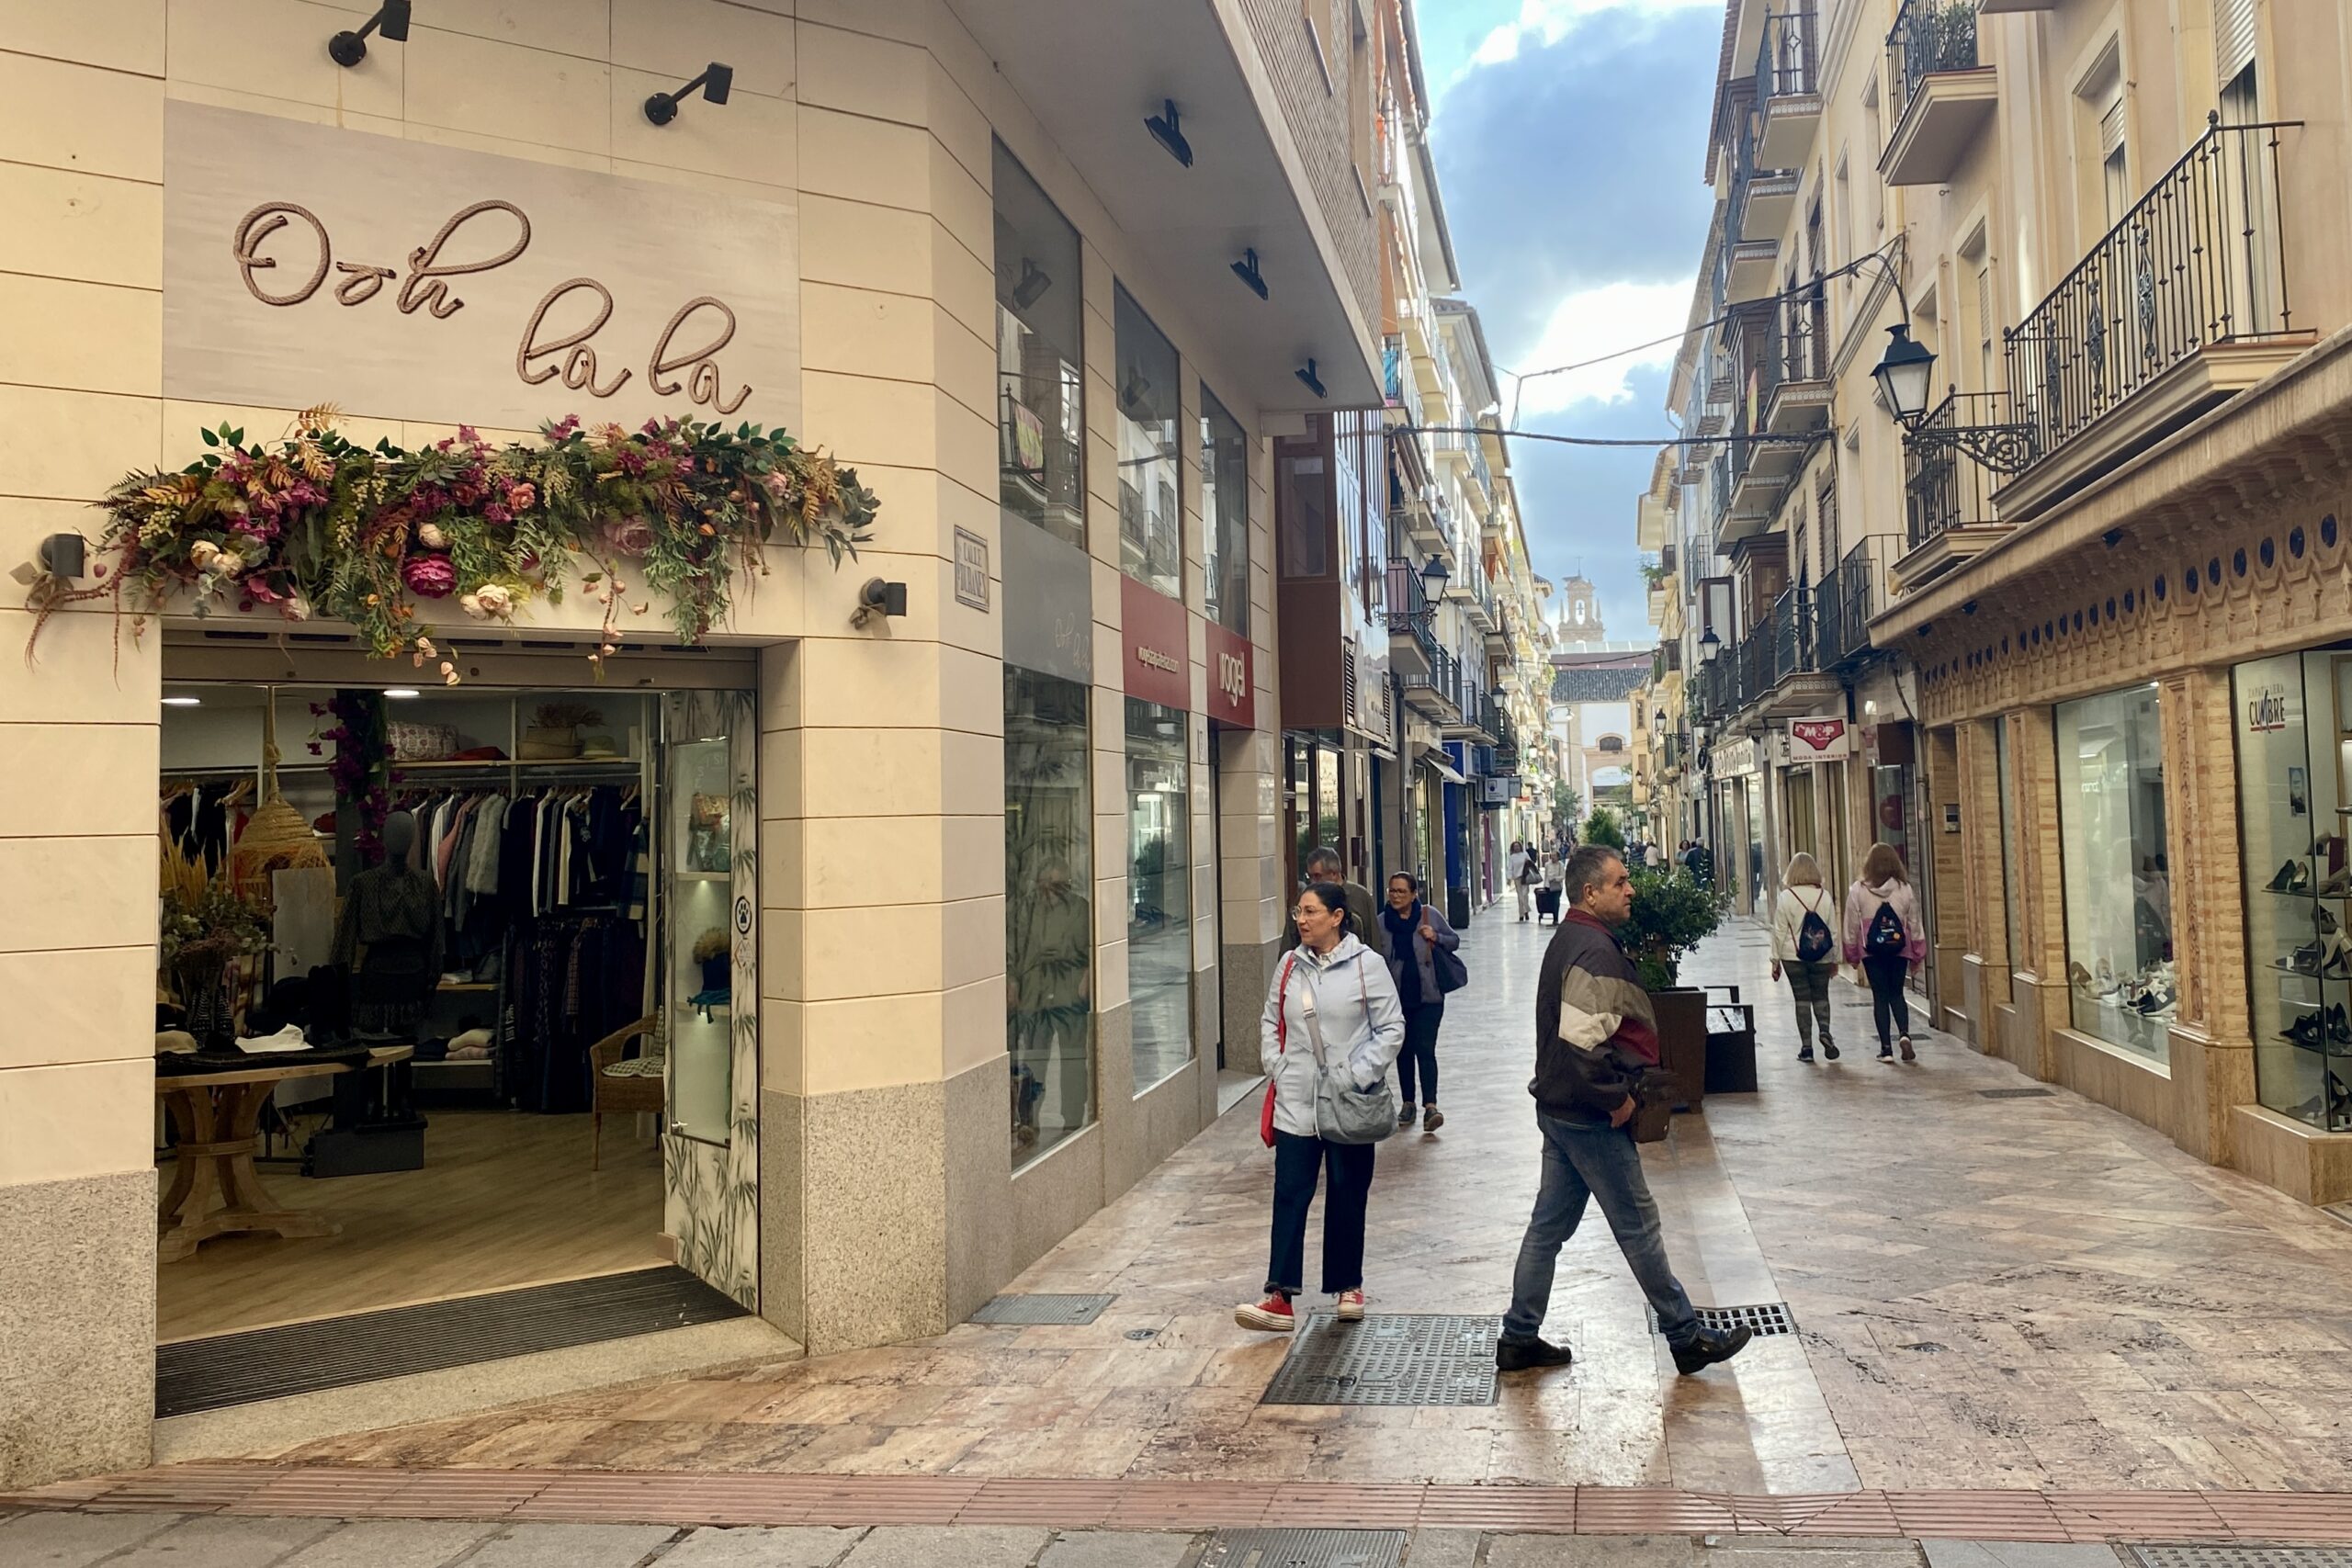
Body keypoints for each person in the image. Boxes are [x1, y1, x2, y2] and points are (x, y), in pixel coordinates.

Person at [1496, 845, 1753, 1377]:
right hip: (1588, 1115)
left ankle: (1519, 1337)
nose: (1631, 889)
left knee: (1548, 1227)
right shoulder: (1594, 950)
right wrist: (1618, 1098)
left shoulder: (1574, 938)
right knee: (1638, 1226)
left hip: (1560, 1107)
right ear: (1590, 893)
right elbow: (1582, 1042)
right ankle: (1686, 1336)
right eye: (1619, 883)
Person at [1238, 882, 1407, 1333]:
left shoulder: (1366, 966)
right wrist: (1277, 1066)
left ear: (1337, 918)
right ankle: (1279, 1295)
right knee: (1290, 1194)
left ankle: (1347, 1286)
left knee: (1348, 1191)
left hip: (1347, 1102)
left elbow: (1391, 1028)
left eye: (1311, 912)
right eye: (1299, 911)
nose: (1301, 919)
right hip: (1295, 1102)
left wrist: (1356, 1074)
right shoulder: (1289, 966)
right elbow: (1270, 1018)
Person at [1381, 873, 1460, 1132]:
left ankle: (1431, 1106)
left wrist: (1435, 936)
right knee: (1403, 1051)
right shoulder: (1382, 923)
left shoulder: (1429, 915)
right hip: (1397, 1000)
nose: (1396, 896)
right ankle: (1407, 1103)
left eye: (1402, 891)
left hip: (1429, 997)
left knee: (1425, 1049)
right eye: (1392, 891)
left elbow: (1454, 941)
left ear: (1414, 894)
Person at [1844, 841, 1927, 1061]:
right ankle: (1904, 1034)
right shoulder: (1904, 888)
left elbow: (1851, 924)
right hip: (1900, 949)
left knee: (1880, 996)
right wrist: (1918, 953)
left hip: (1871, 951)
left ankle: (1886, 1049)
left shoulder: (1858, 890)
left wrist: (1851, 954)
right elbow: (1915, 922)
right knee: (1897, 993)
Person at [1770, 852, 1841, 1063]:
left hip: (1793, 956)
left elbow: (1779, 931)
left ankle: (1807, 1048)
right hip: (1821, 955)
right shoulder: (1824, 896)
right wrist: (1834, 958)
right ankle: (1825, 1031)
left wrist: (1775, 961)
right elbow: (1832, 931)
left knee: (1801, 1000)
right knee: (1821, 996)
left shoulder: (1786, 897)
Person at [1283, 846, 1389, 961]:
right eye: (1310, 876)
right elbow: (1289, 939)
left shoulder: (1360, 896)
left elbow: (1373, 939)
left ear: (1334, 874)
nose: (1313, 881)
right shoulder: (1304, 898)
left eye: (1318, 876)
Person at [1508, 840, 1534, 921]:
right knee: (1520, 897)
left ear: (1520, 847)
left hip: (1525, 877)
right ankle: (1522, 914)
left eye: (1518, 846)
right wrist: (1509, 878)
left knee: (1525, 895)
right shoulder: (1512, 857)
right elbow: (1510, 868)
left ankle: (1525, 911)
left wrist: (1528, 861)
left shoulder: (1525, 854)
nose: (1516, 848)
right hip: (1517, 878)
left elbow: (1530, 863)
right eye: (1515, 846)